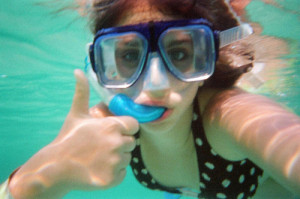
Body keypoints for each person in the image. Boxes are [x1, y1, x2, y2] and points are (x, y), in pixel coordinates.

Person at [1, 0, 300, 198]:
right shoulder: (103, 129)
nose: (155, 85)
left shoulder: (230, 115)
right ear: (101, 66)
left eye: (181, 53)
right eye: (130, 55)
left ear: (208, 55)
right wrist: (45, 175)